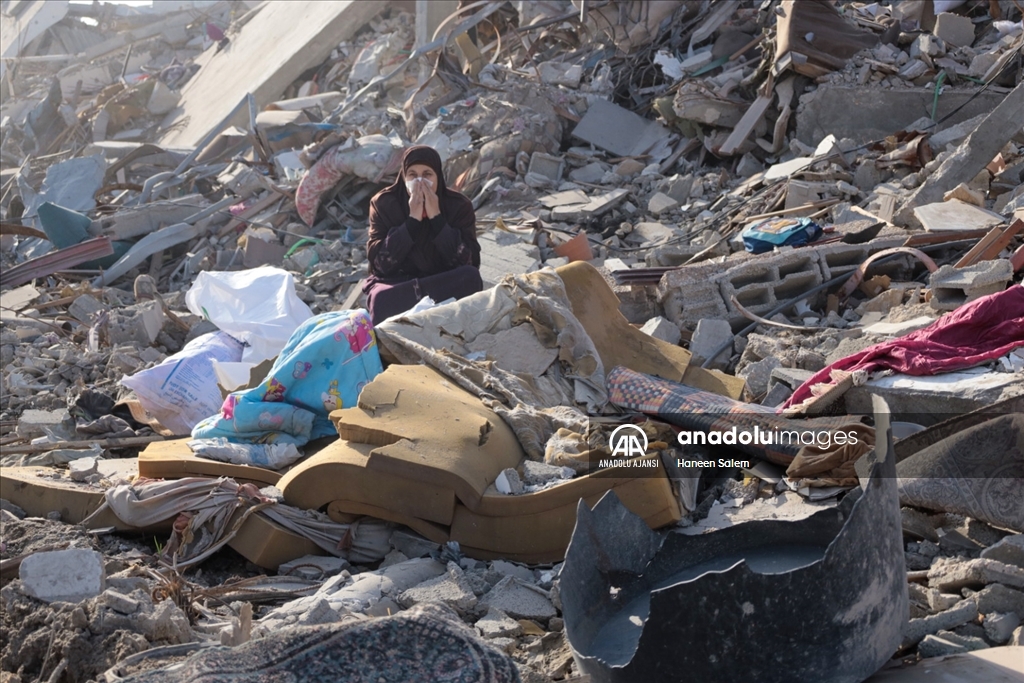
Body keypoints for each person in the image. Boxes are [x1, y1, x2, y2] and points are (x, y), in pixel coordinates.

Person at [363, 145, 483, 325]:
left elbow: (469, 262)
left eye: (427, 174)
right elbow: (381, 266)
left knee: (470, 277)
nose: (420, 181)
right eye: (412, 175)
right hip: (398, 283)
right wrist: (412, 221)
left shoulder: (458, 205)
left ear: (438, 177)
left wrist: (437, 218)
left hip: (441, 279)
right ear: (403, 177)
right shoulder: (384, 204)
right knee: (380, 299)